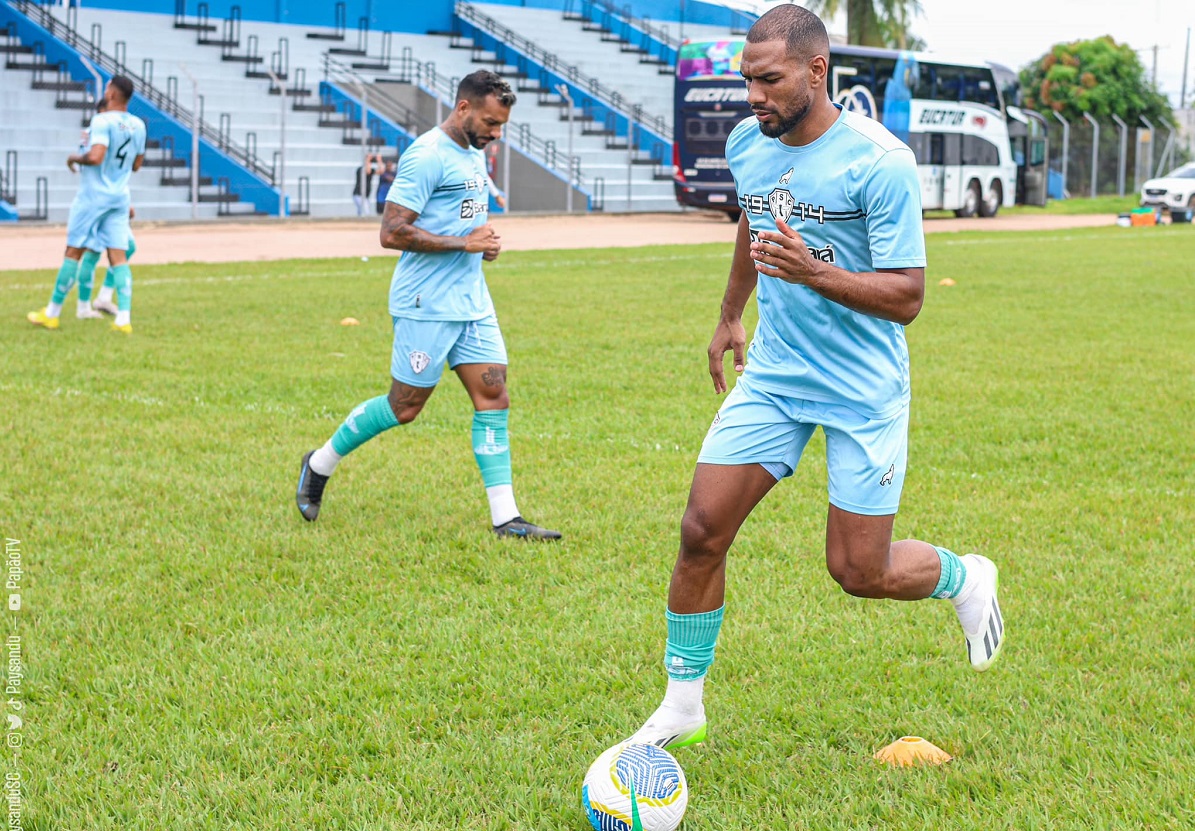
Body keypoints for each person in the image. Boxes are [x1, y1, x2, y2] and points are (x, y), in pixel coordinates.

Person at [626, 4, 1003, 751]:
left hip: (861, 385)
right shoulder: (747, 141)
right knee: (701, 530)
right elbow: (752, 218)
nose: (754, 97)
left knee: (857, 569)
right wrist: (732, 311)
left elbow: (907, 296)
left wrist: (815, 272)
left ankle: (965, 577)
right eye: (747, 82)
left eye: (768, 81)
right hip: (774, 373)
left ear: (816, 71)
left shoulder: (879, 161)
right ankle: (681, 703)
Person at [296, 70, 560, 541]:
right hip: (426, 302)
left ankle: (506, 518)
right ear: (463, 108)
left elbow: (464, 219)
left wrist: (484, 244)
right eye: (490, 123)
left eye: (500, 126)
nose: (495, 134)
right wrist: (464, 245)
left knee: (494, 395)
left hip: (471, 301)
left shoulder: (472, 152)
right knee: (405, 407)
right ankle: (319, 463)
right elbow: (391, 232)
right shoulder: (426, 155)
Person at [28, 76, 145, 333]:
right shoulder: (139, 125)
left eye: (107, 88)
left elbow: (96, 156)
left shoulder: (101, 121)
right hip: (118, 197)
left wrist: (74, 159)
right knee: (119, 256)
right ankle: (123, 319)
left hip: (93, 197)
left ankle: (52, 313)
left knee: (73, 252)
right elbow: (136, 165)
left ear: (112, 94)